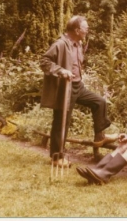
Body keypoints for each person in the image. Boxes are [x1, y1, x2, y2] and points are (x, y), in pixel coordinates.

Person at [40, 15, 114, 165]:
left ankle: (99, 137)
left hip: (78, 86)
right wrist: (61, 71)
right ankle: (57, 157)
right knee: (61, 122)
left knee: (99, 102)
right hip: (65, 88)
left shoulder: (79, 44)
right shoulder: (60, 44)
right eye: (85, 28)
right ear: (77, 30)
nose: (87, 30)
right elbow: (44, 62)